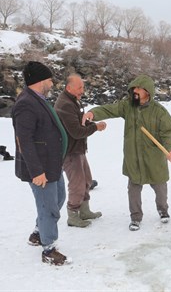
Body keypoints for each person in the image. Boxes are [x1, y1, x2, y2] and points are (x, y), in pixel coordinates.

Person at [83, 74, 171, 231]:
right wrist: (93, 113)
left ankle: (163, 210)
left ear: (148, 92)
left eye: (139, 88)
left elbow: (169, 132)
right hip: (133, 157)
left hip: (153, 157)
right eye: (134, 88)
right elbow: (110, 109)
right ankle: (135, 217)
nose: (135, 91)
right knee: (133, 188)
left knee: (160, 187)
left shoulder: (159, 112)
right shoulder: (127, 106)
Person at [12, 61, 70, 266]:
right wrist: (36, 171)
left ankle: (38, 232)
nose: (52, 83)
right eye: (49, 79)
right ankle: (48, 248)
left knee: (59, 198)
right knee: (48, 207)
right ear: (39, 81)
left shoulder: (38, 99)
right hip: (41, 168)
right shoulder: (26, 103)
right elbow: (24, 140)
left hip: (52, 163)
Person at [54, 74, 107, 228]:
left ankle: (84, 211)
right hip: (70, 151)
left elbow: (78, 123)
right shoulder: (65, 104)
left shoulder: (72, 100)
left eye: (82, 87)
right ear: (68, 88)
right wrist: (95, 127)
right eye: (79, 88)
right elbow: (76, 131)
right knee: (77, 183)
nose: (82, 91)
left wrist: (88, 122)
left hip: (78, 148)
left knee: (87, 180)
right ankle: (73, 215)